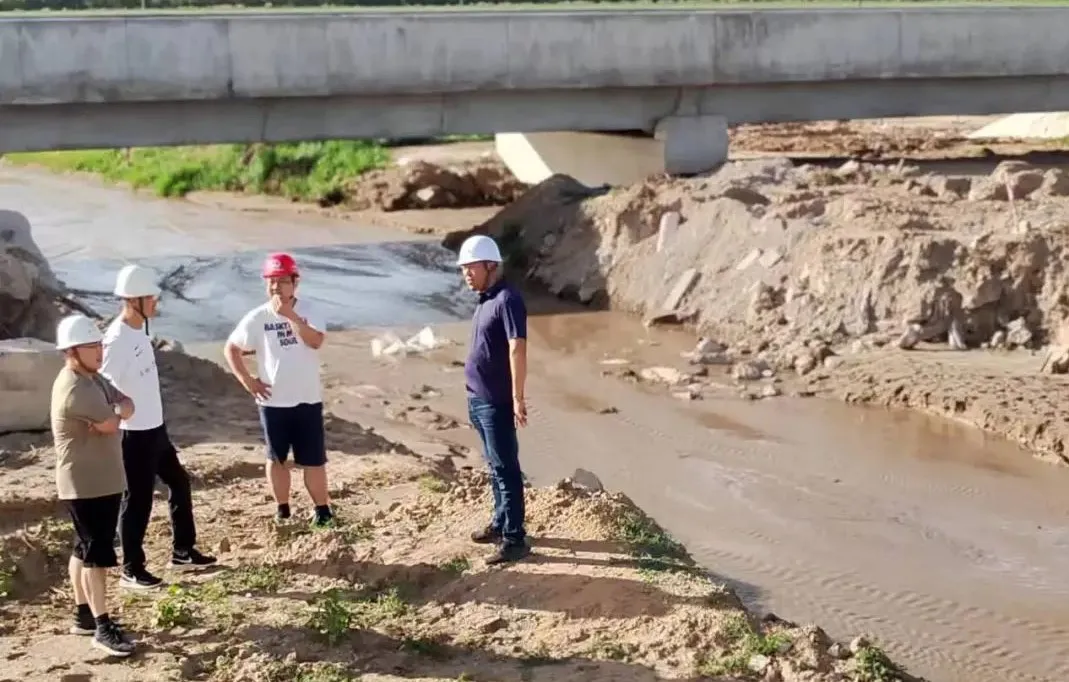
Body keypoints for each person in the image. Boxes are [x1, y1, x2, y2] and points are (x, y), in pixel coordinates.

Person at [101, 264, 216, 590]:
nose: (156, 303)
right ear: (133, 300)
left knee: (179, 482)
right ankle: (131, 570)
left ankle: (183, 551)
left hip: (155, 429)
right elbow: (102, 386)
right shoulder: (117, 339)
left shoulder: (139, 330)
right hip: (134, 434)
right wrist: (116, 415)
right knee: (137, 500)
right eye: (151, 298)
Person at [223, 252, 334, 527]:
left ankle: (322, 511)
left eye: (282, 281)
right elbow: (232, 348)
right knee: (277, 459)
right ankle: (283, 510)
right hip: (273, 402)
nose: (276, 287)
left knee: (314, 461)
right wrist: (248, 381)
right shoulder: (258, 316)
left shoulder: (310, 310)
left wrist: (290, 316)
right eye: (271, 281)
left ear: (295, 282)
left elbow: (316, 341)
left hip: (307, 399)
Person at [50, 313, 137, 656]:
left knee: (84, 548)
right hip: (87, 484)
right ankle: (102, 626)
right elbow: (114, 420)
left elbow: (126, 405)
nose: (100, 351)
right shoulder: (76, 388)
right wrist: (115, 414)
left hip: (100, 480)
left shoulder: (93, 378)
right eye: (91, 347)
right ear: (72, 351)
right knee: (97, 556)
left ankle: (84, 614)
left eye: (100, 344)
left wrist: (115, 413)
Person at [457, 235, 530, 564]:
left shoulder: (508, 299)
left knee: (506, 469)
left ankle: (515, 539)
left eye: (471, 268)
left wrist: (517, 397)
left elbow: (518, 347)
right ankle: (501, 522)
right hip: (478, 398)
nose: (466, 274)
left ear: (490, 265)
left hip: (497, 401)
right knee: (494, 466)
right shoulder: (485, 299)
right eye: (463, 269)